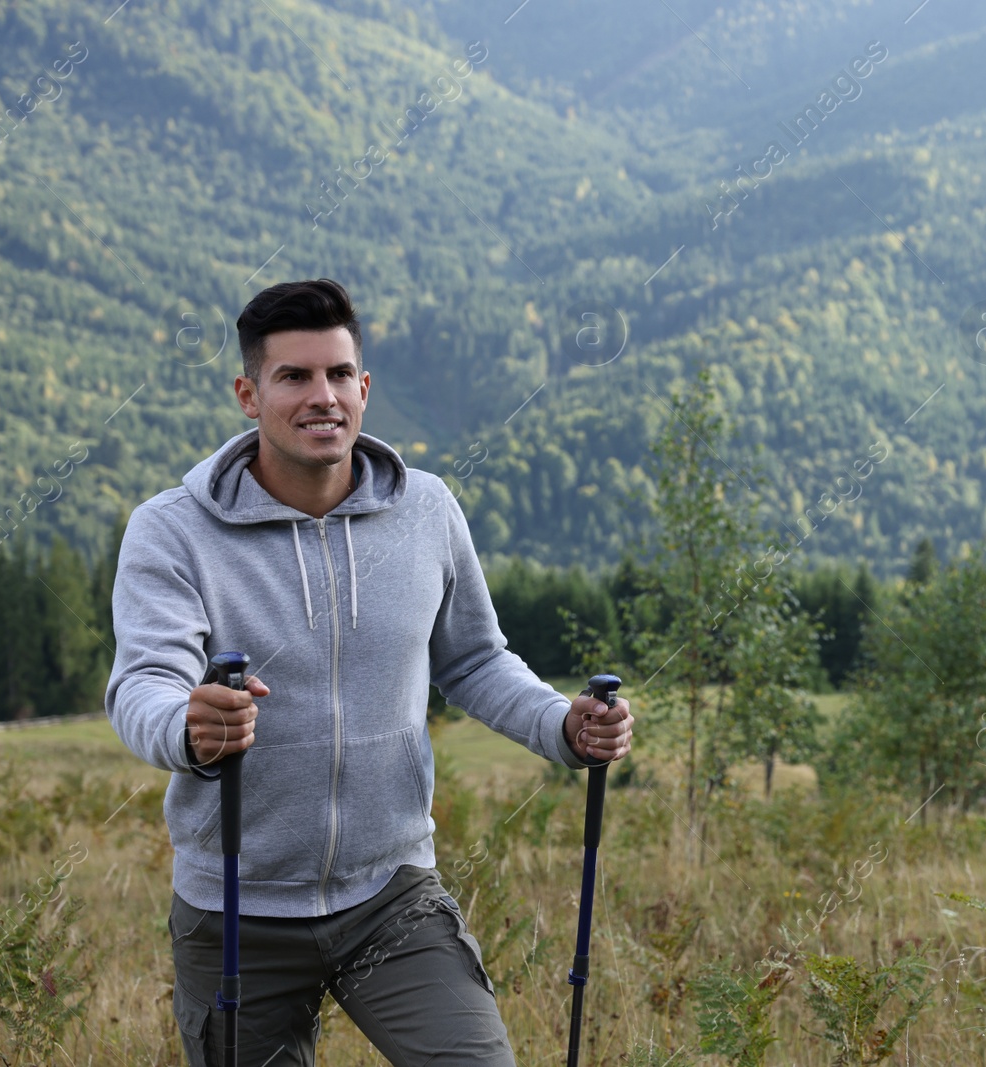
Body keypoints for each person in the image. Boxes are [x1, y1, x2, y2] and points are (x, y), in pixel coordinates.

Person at [104, 277, 633, 1066]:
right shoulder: (172, 531)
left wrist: (562, 724)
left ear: (364, 387)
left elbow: (476, 659)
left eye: (338, 374)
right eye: (294, 377)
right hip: (236, 907)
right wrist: (189, 724)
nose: (323, 397)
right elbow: (142, 682)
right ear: (249, 394)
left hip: (392, 894)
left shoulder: (427, 511)